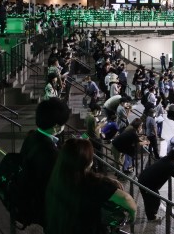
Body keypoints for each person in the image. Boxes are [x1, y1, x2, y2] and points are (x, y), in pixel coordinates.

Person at [45, 138, 137, 233]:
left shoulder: (56, 178)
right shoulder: (94, 183)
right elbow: (126, 199)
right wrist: (133, 216)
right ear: (87, 161)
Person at [19, 99, 71, 228]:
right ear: (56, 127)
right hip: (46, 208)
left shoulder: (31, 136)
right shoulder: (49, 152)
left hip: (33, 200)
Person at [137, 149, 174, 221]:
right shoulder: (170, 165)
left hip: (144, 179)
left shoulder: (165, 159)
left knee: (150, 199)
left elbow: (171, 169)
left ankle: (151, 216)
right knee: (153, 200)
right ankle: (152, 217)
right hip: (148, 183)